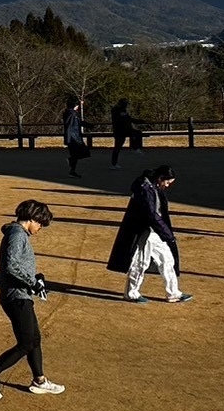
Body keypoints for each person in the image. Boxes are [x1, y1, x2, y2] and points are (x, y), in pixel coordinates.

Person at [0, 200, 65, 399]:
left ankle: (39, 380)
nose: (41, 227)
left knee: (34, 339)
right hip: (16, 297)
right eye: (40, 223)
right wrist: (32, 283)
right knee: (26, 343)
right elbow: (11, 265)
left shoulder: (18, 234)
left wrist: (36, 278)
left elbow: (17, 266)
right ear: (31, 218)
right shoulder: (17, 235)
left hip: (21, 295)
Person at [107, 166, 191, 303]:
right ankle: (131, 293)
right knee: (141, 262)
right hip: (143, 231)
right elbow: (151, 215)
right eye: (167, 182)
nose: (167, 185)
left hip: (153, 230)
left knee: (167, 259)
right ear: (160, 178)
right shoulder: (145, 188)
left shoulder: (152, 186)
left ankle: (173, 293)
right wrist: (167, 234)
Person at [110, 99, 141, 169]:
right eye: (125, 103)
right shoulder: (115, 110)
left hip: (126, 129)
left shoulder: (123, 110)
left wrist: (139, 121)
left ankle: (135, 147)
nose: (126, 105)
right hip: (119, 131)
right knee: (117, 147)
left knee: (137, 133)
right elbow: (122, 119)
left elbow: (129, 118)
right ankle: (114, 164)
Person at [62, 98, 89, 178]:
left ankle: (72, 169)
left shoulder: (72, 113)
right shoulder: (71, 113)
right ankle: (72, 170)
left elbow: (78, 122)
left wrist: (87, 125)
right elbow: (69, 125)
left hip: (75, 136)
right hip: (73, 137)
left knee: (78, 154)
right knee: (80, 153)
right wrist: (69, 138)